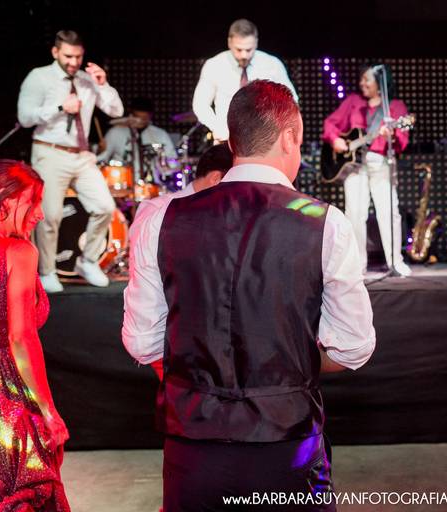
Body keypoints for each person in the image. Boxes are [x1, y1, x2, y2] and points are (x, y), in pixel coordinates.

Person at [123, 80, 375, 511]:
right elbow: (353, 347)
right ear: (289, 137)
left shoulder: (160, 218)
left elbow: (143, 343)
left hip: (192, 443)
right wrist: (289, 362)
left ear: (233, 140)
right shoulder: (326, 222)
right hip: (288, 445)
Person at [0, 160, 70, 509]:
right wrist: (49, 412)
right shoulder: (17, 252)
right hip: (0, 401)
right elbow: (20, 338)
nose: (40, 214)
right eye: (34, 201)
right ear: (6, 199)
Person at [17, 29, 124, 293]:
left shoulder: (88, 80)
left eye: (78, 56)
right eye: (68, 56)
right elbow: (25, 117)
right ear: (55, 52)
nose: (73, 62)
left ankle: (87, 261)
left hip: (81, 154)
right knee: (50, 216)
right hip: (50, 151)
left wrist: (103, 85)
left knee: (105, 207)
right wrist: (59, 108)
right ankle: (47, 271)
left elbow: (116, 111)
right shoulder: (39, 76)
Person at [123, 143, 234, 380]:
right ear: (216, 178)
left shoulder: (166, 208)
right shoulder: (164, 212)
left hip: (178, 341)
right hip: (165, 342)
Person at [322, 65, 411, 276]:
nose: (362, 83)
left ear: (380, 84)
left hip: (380, 162)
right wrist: (335, 140)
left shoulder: (394, 106)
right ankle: (357, 265)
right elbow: (330, 123)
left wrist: (392, 135)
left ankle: (395, 262)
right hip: (355, 165)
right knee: (354, 214)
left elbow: (402, 142)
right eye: (361, 79)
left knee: (388, 212)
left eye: (367, 79)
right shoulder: (354, 102)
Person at [192, 18, 298, 143]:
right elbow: (200, 104)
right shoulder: (214, 65)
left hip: (264, 141)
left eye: (249, 50)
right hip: (227, 139)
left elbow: (291, 100)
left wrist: (276, 126)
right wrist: (217, 127)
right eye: (238, 49)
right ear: (229, 42)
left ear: (256, 42)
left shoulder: (272, 65)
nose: (244, 55)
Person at [97, 97, 177, 168]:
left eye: (144, 119)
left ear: (150, 116)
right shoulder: (115, 132)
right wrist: (99, 151)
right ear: (131, 114)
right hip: (123, 177)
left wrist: (166, 163)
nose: (139, 121)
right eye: (137, 117)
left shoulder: (161, 134)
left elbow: (173, 161)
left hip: (151, 178)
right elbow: (101, 160)